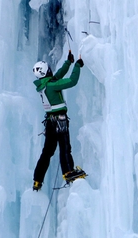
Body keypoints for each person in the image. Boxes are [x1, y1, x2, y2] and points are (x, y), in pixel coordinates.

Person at [31, 51, 85, 191]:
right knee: (65, 147)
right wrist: (77, 66)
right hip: (59, 121)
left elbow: (58, 76)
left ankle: (37, 180)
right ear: (46, 71)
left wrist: (68, 62)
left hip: (50, 122)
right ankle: (68, 172)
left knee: (47, 152)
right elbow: (71, 81)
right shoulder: (51, 85)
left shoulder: (44, 85)